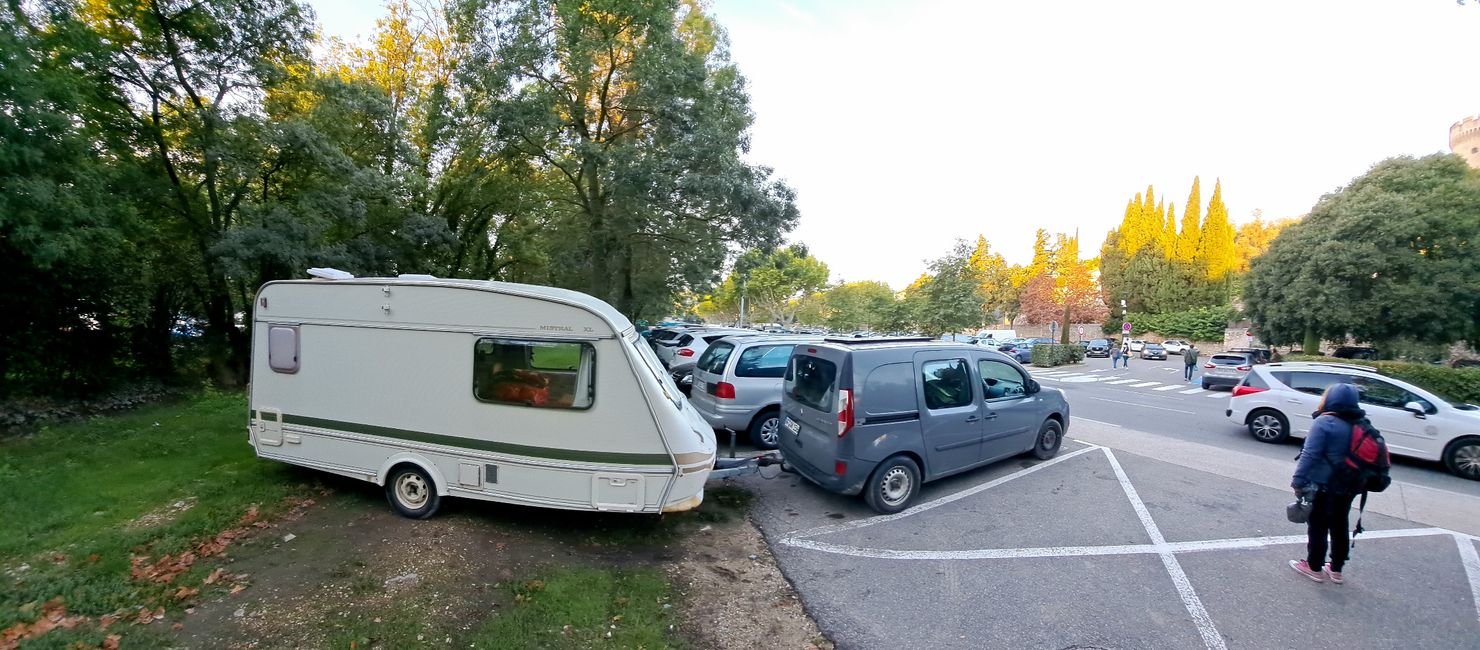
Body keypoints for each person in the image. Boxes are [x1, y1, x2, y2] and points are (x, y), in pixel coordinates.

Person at [1289, 383, 1364, 584]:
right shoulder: (1360, 423)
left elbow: (1310, 454)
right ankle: (1336, 569)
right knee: (1340, 524)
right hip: (1350, 484)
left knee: (1318, 525)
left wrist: (1297, 481)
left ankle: (1314, 567)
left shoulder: (1325, 422)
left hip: (1324, 484)